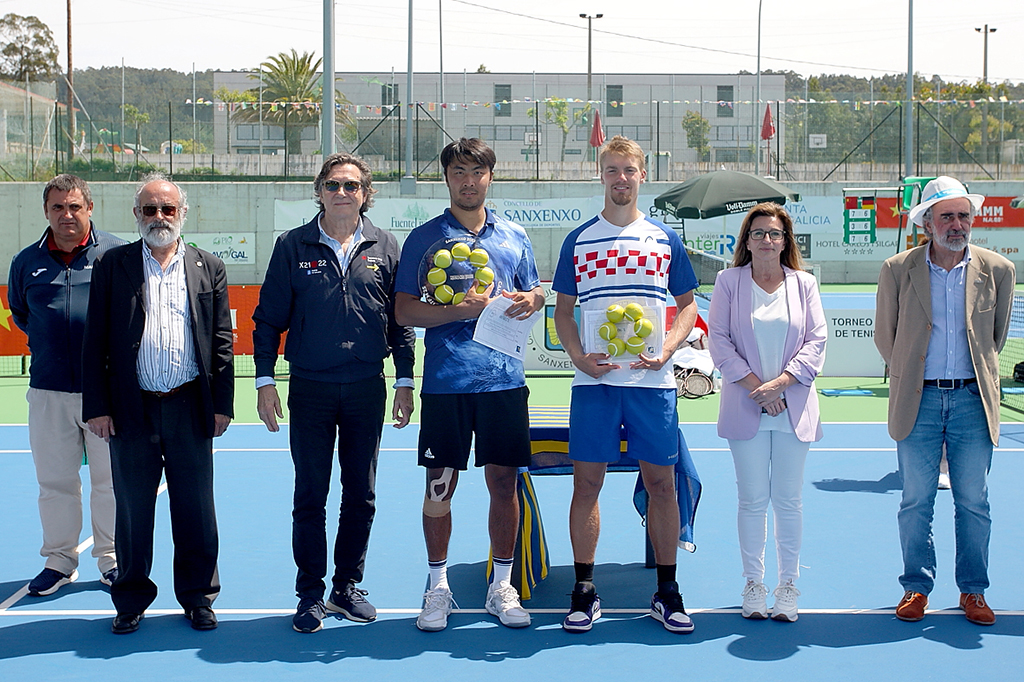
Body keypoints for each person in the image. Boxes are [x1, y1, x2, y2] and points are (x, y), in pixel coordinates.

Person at [252, 153, 416, 634]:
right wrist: (264, 381)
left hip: (367, 386)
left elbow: (400, 321)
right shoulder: (291, 245)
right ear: (319, 191)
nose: (342, 192)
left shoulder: (385, 246)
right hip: (311, 389)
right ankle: (310, 593)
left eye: (351, 185)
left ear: (366, 193)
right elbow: (267, 321)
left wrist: (405, 380)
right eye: (332, 185)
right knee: (310, 493)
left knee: (360, 494)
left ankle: (346, 586)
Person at [394, 138, 544, 632]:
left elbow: (535, 291)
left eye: (477, 173)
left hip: (504, 381)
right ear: (447, 178)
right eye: (458, 172)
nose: (468, 181)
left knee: (504, 484)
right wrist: (462, 310)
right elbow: (404, 311)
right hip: (446, 384)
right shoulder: (423, 238)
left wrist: (532, 300)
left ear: (490, 177)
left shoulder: (514, 236)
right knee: (440, 486)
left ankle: (501, 586)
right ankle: (437, 587)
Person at [552, 136, 699, 634]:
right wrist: (577, 356)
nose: (620, 179)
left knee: (661, 484)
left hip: (653, 386)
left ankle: (668, 590)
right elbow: (565, 313)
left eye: (629, 171)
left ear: (642, 175)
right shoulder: (578, 241)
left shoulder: (664, 239)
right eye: (612, 170)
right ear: (601, 175)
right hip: (594, 384)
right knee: (586, 484)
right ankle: (584, 589)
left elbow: (688, 306)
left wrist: (670, 348)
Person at [82, 174, 234, 634]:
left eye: (167, 209)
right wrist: (98, 406)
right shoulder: (114, 264)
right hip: (132, 407)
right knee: (131, 510)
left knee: (195, 508)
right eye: (150, 210)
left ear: (182, 214)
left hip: (190, 405)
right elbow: (96, 341)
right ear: (137, 216)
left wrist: (222, 405)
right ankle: (129, 598)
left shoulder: (209, 266)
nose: (159, 217)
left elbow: (222, 340)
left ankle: (198, 597)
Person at [875, 176, 1015, 626]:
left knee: (974, 501)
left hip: (974, 401)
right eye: (946, 216)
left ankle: (973, 591)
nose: (957, 224)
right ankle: (916, 587)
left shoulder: (998, 269)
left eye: (963, 215)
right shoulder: (898, 268)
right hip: (920, 401)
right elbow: (886, 337)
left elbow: (995, 339)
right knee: (916, 500)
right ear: (928, 223)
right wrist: (914, 376)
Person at [706, 202, 826, 623]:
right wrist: (759, 389)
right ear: (747, 241)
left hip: (792, 408)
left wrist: (782, 384)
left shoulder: (804, 284)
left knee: (789, 502)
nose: (767, 240)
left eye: (775, 234)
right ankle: (753, 584)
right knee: (752, 501)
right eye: (758, 233)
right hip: (746, 406)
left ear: (785, 241)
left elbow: (817, 342)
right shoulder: (728, 281)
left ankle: (788, 586)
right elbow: (718, 341)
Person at [9, 174, 125, 597]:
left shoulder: (116, 254)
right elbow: (22, 314)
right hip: (48, 390)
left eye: (75, 206)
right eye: (58, 207)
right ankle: (59, 560)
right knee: (55, 480)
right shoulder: (26, 262)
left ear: (90, 209)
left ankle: (112, 558)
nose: (67, 215)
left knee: (110, 480)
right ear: (46, 212)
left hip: (107, 392)